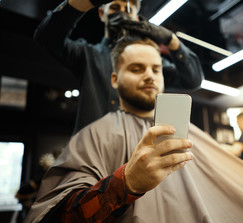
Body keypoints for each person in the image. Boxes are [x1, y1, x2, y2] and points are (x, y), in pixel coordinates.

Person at [17, 36, 243, 223]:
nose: (149, 75)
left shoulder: (191, 133)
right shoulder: (96, 134)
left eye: (156, 69)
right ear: (114, 79)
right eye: (137, 68)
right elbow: (63, 216)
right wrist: (125, 183)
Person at [34, 0, 203, 134]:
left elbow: (193, 80)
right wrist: (83, 2)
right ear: (101, 13)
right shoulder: (87, 55)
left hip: (141, 152)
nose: (122, 12)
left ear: (136, 17)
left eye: (129, 8)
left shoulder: (151, 65)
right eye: (115, 7)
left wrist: (171, 40)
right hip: (93, 153)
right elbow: (46, 37)